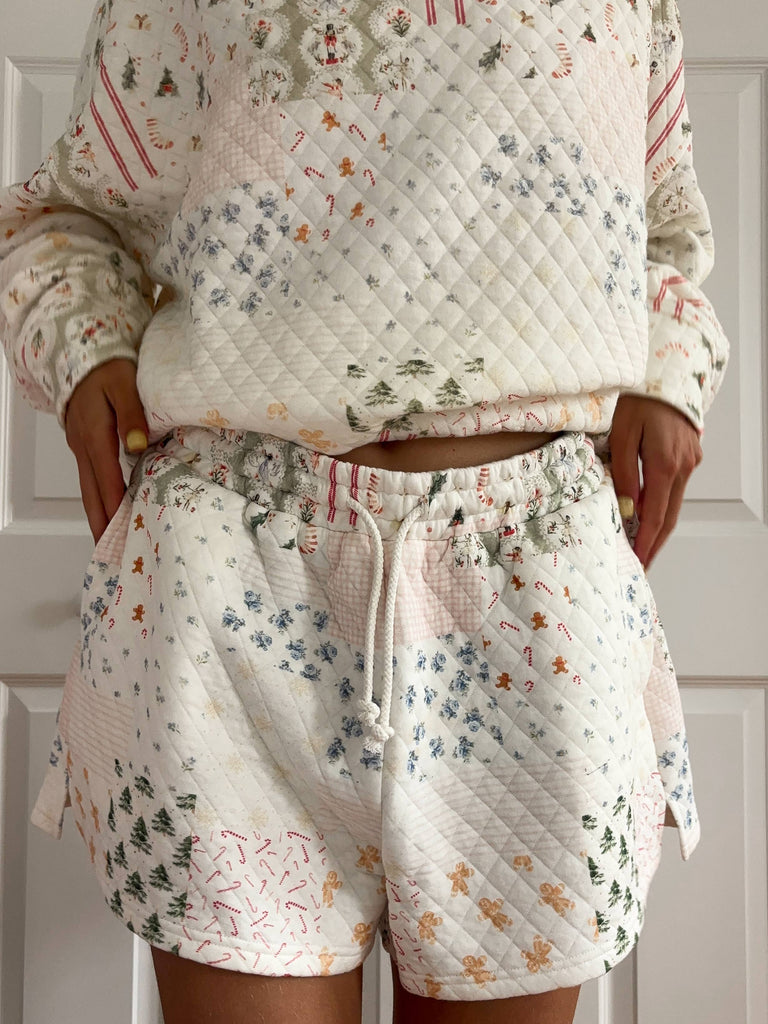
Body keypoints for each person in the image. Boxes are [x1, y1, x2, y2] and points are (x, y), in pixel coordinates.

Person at [0, 0, 728, 1021]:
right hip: (230, 591)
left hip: (530, 602)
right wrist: (87, 352)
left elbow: (663, 226)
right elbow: (70, 217)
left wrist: (671, 371)